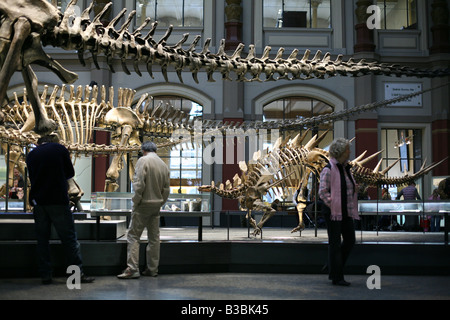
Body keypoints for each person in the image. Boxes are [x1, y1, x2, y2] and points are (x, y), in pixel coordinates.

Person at [26, 134, 94, 284]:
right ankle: (75, 276)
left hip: (39, 202)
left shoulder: (31, 154)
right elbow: (70, 173)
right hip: (58, 200)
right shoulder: (59, 149)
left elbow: (32, 176)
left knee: (42, 240)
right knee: (69, 240)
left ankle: (46, 276)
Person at [117, 141, 170, 279]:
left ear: (143, 150)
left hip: (143, 205)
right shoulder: (163, 164)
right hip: (156, 206)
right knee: (154, 238)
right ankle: (152, 269)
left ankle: (132, 269)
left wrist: (135, 201)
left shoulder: (143, 161)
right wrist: (160, 202)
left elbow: (139, 184)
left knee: (133, 236)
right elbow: (166, 189)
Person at [319, 138, 359, 286]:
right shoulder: (328, 169)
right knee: (335, 243)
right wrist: (334, 205)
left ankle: (332, 265)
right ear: (341, 151)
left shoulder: (346, 169)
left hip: (346, 212)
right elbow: (322, 192)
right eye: (347, 149)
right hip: (333, 212)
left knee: (350, 240)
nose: (349, 152)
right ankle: (337, 277)